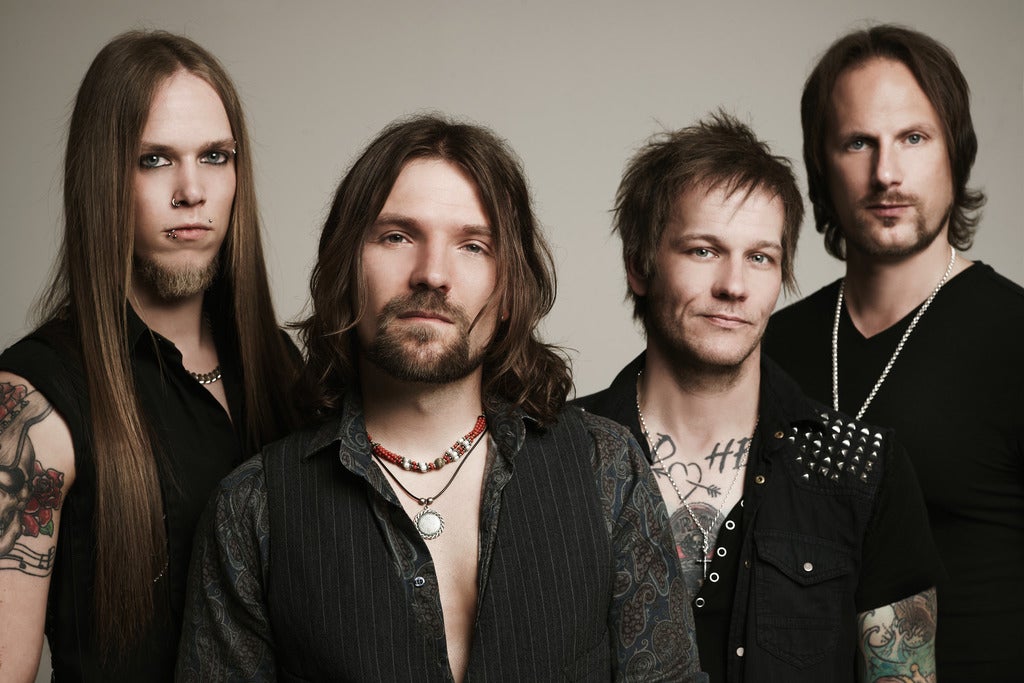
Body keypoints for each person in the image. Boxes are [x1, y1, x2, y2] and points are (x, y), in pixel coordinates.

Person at [176, 114, 706, 682]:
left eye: (473, 246)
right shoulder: (252, 510)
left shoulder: (607, 469)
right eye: (397, 237)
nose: (432, 274)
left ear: (509, 290)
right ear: (344, 269)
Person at [576, 112, 942, 682]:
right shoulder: (558, 455)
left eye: (760, 257)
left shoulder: (861, 469)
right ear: (639, 267)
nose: (734, 286)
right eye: (703, 251)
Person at [0, 31, 300, 680]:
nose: (192, 190)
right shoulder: (32, 404)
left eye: (215, 156)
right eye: (154, 159)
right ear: (103, 178)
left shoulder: (281, 367)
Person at [764, 25, 1024, 681]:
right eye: (859, 142)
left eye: (913, 137)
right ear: (822, 165)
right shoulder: (770, 344)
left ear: (955, 152)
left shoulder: (1014, 334)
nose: (886, 173)